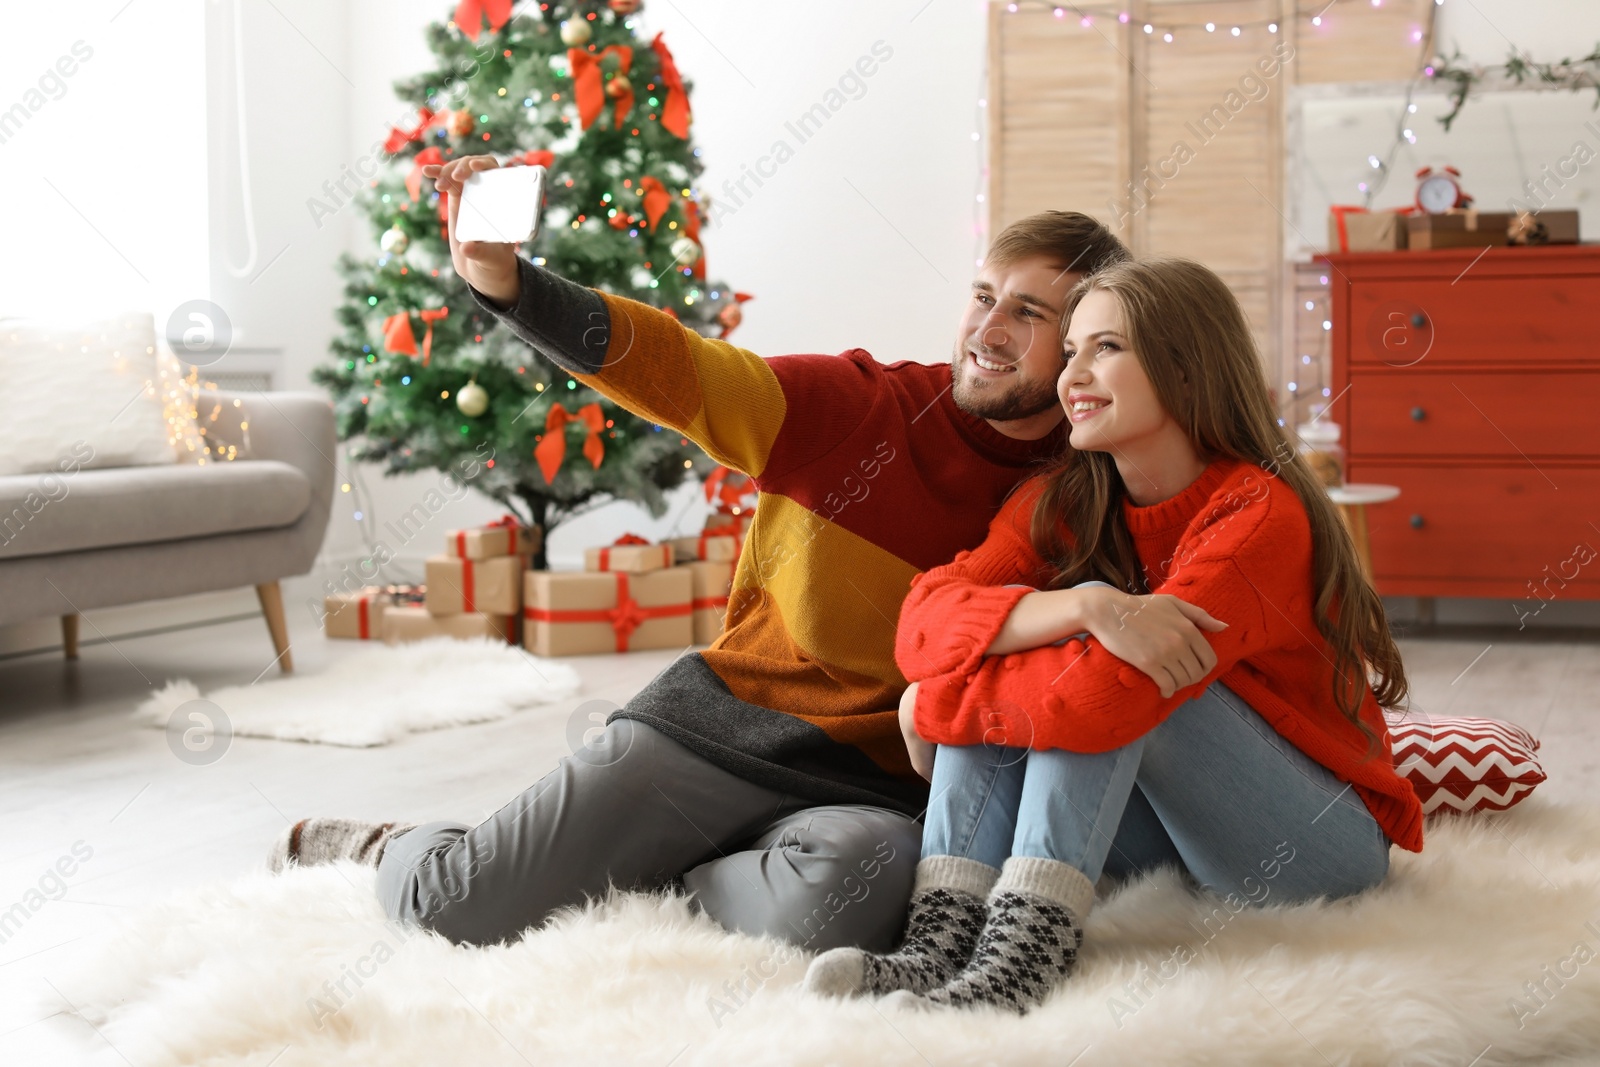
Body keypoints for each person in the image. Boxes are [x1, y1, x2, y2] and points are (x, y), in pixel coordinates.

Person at [269, 152, 1137, 954]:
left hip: (866, 791)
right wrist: (506, 281)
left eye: (1029, 312)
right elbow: (679, 369)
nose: (989, 327)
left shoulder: (1086, 492)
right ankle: (387, 842)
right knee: (451, 910)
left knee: (852, 899)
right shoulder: (859, 408)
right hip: (722, 731)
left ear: (1079, 347)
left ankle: (652, 878)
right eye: (984, 295)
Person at [803, 257, 1422, 1012]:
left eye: (1108, 349)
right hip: (1170, 834)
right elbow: (924, 619)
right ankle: (942, 943)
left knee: (1116, 682)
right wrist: (1083, 604)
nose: (1074, 376)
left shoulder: (1259, 515)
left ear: (1187, 373)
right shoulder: (1065, 497)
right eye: (1071, 351)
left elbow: (1104, 699)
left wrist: (933, 698)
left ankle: (1025, 957)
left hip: (1312, 844)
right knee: (1023, 648)